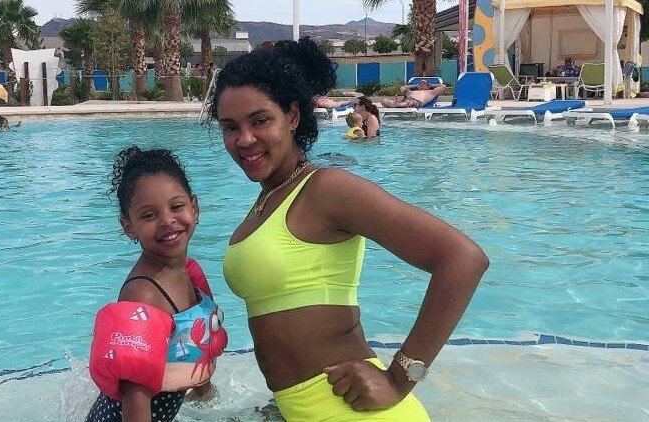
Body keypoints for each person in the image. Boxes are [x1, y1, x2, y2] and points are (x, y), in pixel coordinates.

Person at [208, 36, 488, 421]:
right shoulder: (269, 200)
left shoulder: (326, 189)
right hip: (304, 408)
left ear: (292, 117)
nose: (244, 139)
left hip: (351, 410)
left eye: (260, 121)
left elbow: (463, 259)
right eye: (230, 127)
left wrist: (399, 378)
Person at [86, 147, 228, 422]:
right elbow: (136, 395)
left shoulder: (186, 272)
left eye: (176, 207)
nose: (167, 221)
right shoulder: (144, 295)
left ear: (194, 208)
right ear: (129, 227)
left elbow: (192, 341)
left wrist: (205, 397)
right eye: (149, 215)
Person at [381, 79, 446, 108]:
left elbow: (443, 86)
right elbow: (402, 88)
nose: (422, 84)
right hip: (405, 101)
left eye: (424, 83)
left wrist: (431, 85)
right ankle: (398, 104)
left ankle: (397, 105)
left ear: (428, 86)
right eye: (420, 83)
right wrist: (415, 86)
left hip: (416, 102)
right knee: (384, 101)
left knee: (410, 101)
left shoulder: (431, 92)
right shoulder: (411, 91)